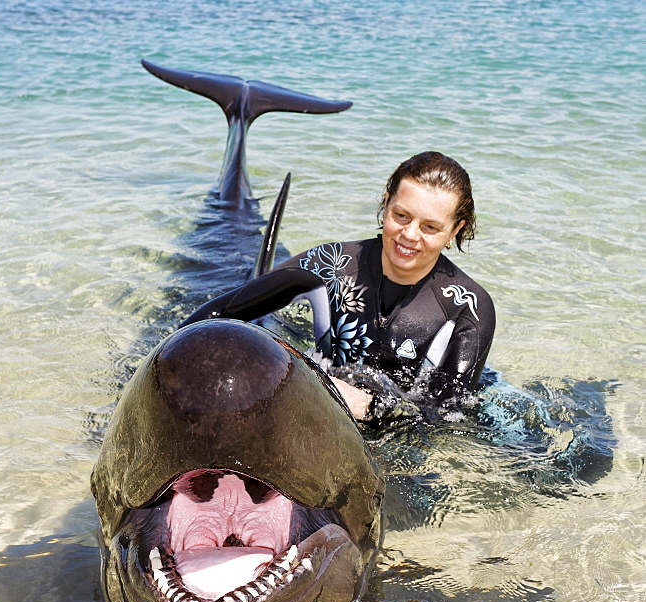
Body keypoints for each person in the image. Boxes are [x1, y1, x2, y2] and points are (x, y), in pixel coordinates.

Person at [180, 151, 495, 422]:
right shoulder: (330, 265)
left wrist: (369, 406)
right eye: (401, 216)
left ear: (456, 229)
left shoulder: (468, 306)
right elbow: (218, 313)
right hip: (317, 400)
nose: (410, 236)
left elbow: (447, 413)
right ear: (385, 205)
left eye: (430, 227)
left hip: (391, 427)